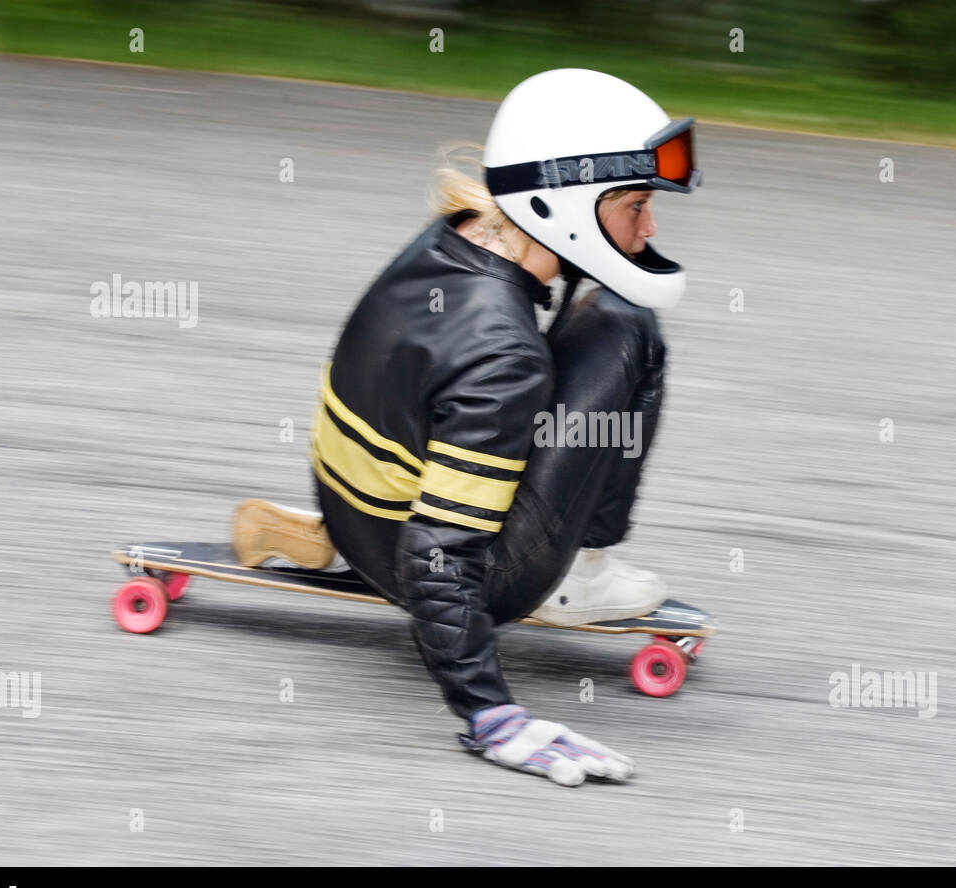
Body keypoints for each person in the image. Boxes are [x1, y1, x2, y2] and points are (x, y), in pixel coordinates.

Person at [234, 68, 701, 786]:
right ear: (564, 205)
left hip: (349, 500)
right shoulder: (506, 355)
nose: (651, 227)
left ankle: (355, 529)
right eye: (635, 204)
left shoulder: (459, 234)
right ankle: (581, 571)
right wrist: (492, 715)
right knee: (628, 325)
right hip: (441, 565)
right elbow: (437, 555)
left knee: (599, 314)